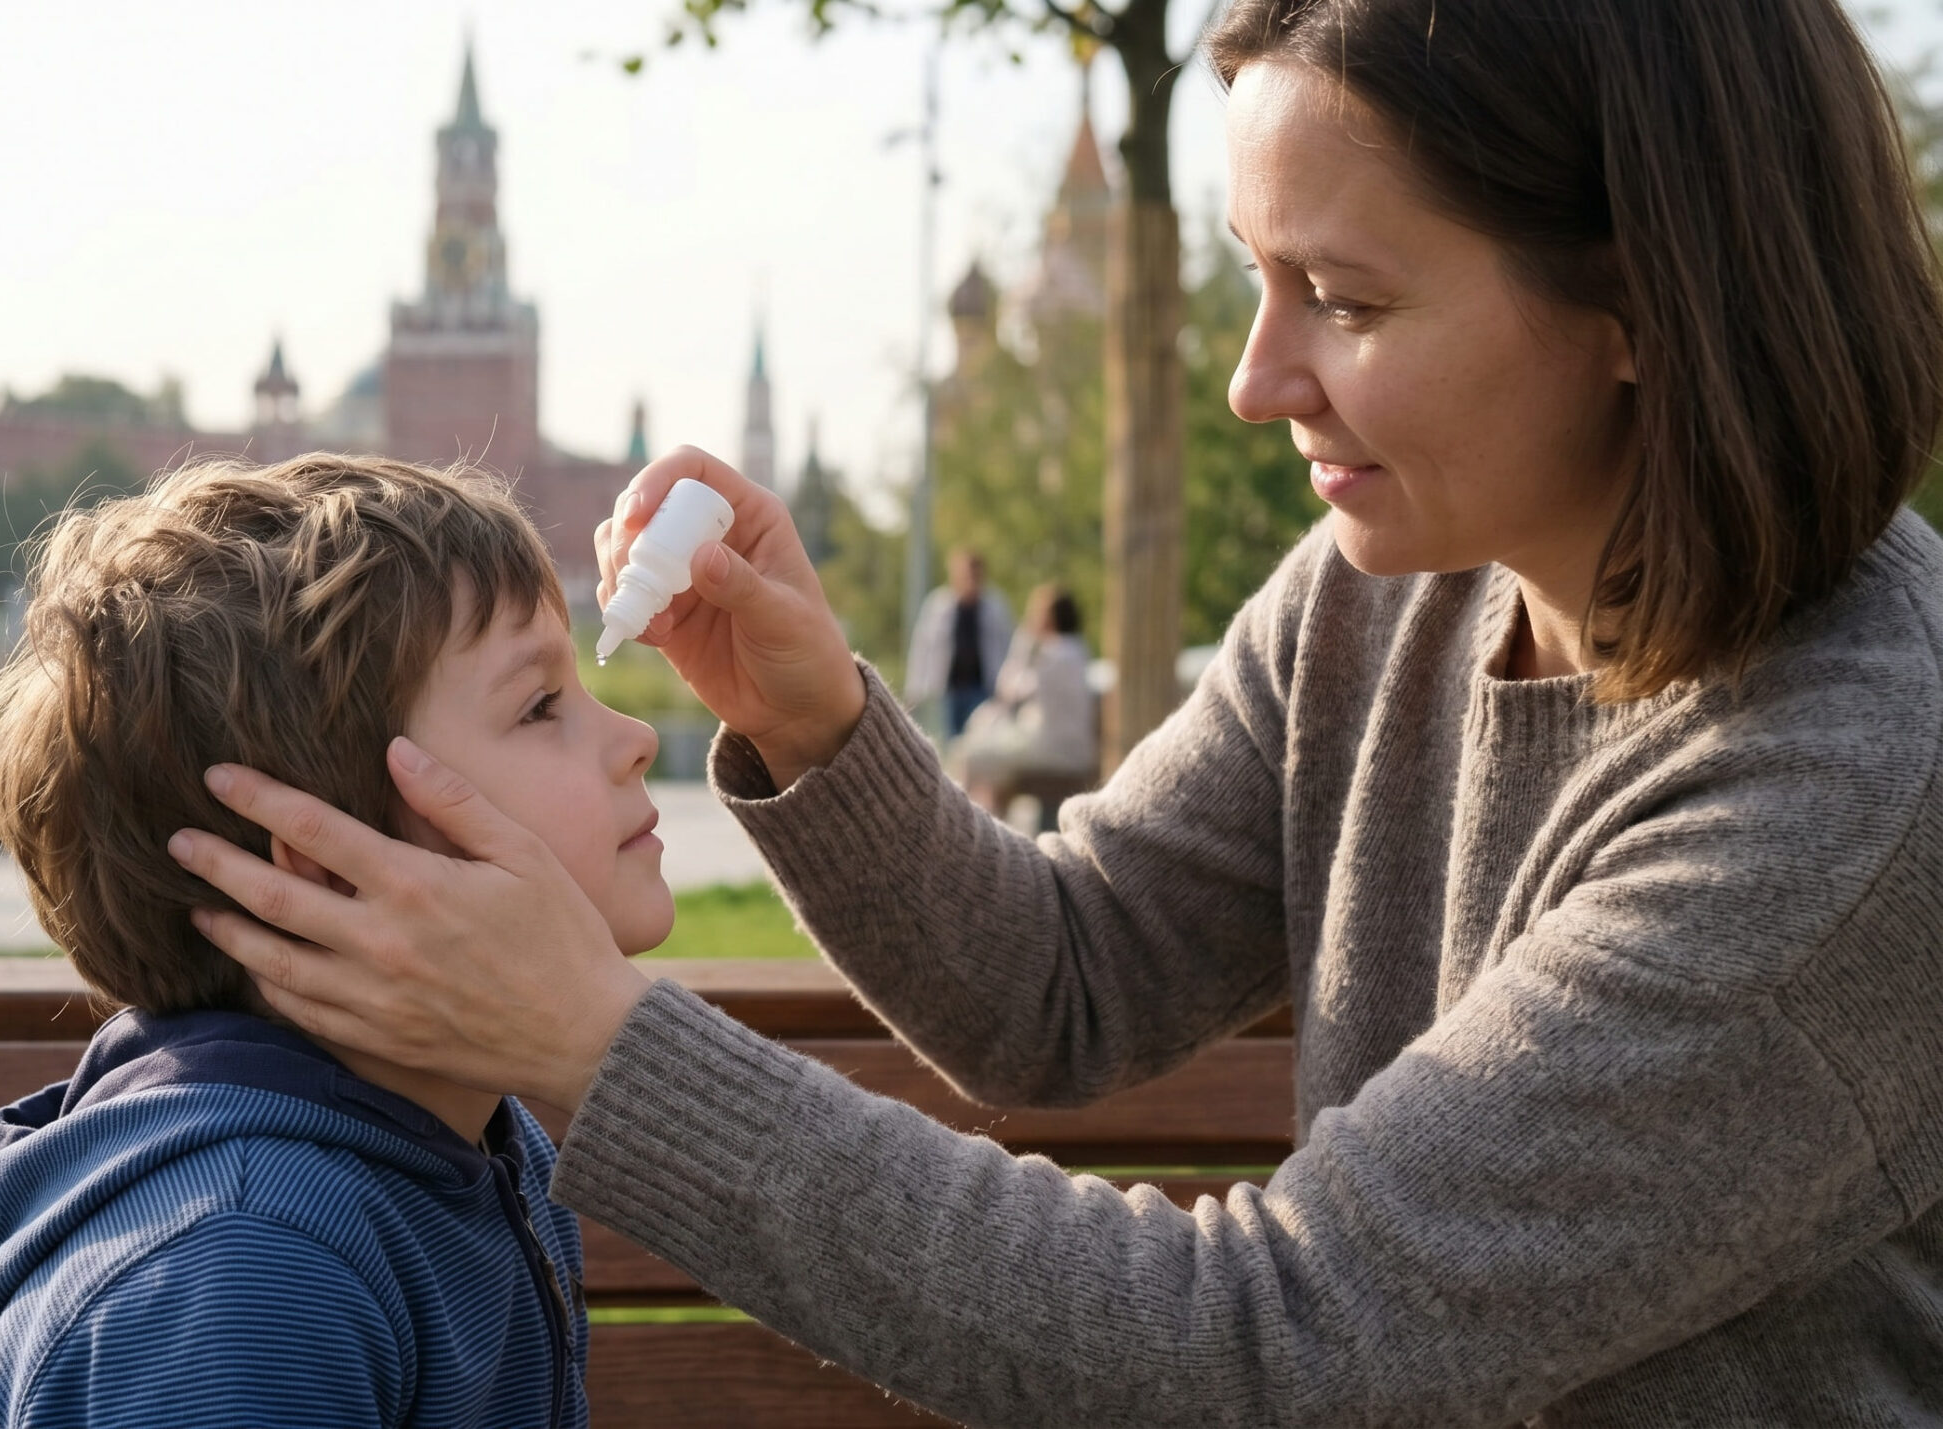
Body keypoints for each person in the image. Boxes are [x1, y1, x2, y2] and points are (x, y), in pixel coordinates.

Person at [161, 1, 1943, 1421]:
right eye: (1257, 278)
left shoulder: (1844, 796)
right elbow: (1062, 984)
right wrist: (824, 724)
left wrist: (595, 1040)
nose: (1257, 380)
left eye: (1347, 298)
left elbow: (1266, 1343)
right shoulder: (1395, 577)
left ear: (1639, 297)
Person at [0, 455, 673, 1427]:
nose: (635, 738)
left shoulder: (479, 1136)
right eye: (539, 706)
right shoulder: (244, 1266)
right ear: (329, 870)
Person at [950, 583, 1095, 819]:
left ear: (1049, 617)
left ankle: (959, 824)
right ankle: (996, 833)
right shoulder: (1078, 651)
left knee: (966, 752)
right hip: (1072, 748)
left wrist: (1023, 638)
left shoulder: (1051, 653)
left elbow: (1008, 688)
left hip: (1053, 751)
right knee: (997, 768)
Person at [902, 548, 1009, 736]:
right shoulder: (938, 605)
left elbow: (1006, 646)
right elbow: (922, 649)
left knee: (978, 739)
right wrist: (914, 689)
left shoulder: (995, 606)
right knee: (950, 740)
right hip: (948, 690)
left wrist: (1006, 684)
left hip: (983, 688)